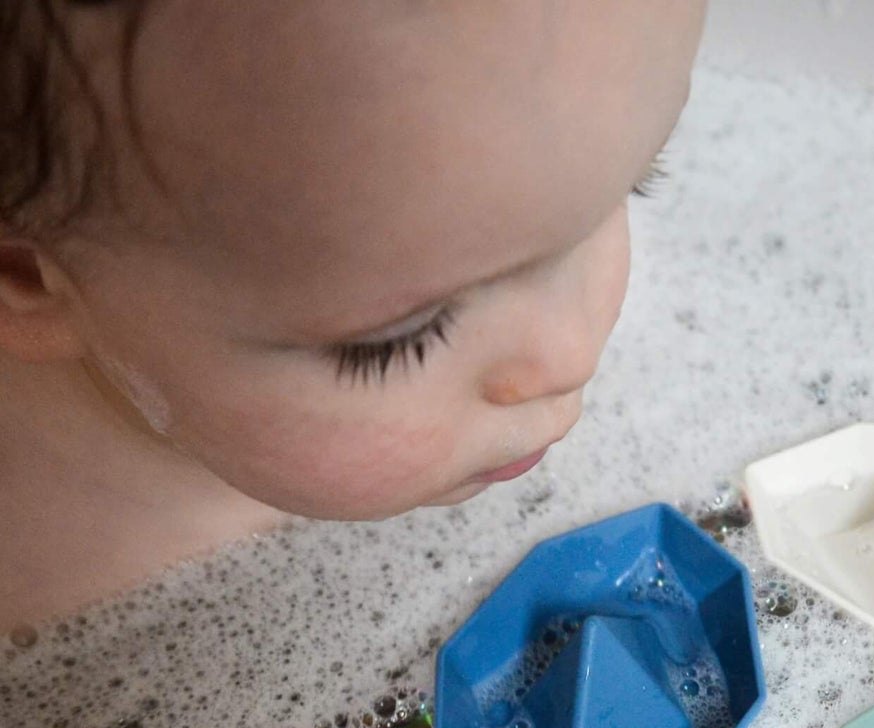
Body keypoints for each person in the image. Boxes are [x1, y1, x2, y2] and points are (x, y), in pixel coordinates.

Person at [0, 0, 706, 633]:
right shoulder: (36, 581)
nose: (571, 352)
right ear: (29, 275)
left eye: (630, 184)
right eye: (401, 339)